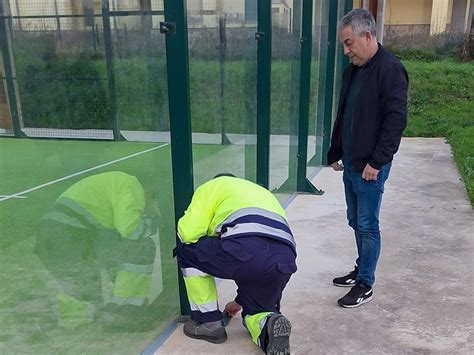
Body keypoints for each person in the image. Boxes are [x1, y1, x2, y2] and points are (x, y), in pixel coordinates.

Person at [327, 9, 408, 308]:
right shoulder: (353, 70)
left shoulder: (390, 70)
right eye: (344, 45)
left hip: (370, 166)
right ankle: (361, 268)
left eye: (349, 43)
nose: (346, 51)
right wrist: (336, 152)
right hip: (351, 161)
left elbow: (395, 121)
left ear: (367, 36)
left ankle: (366, 283)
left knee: (367, 224)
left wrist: (377, 162)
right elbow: (345, 116)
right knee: (354, 220)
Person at [175, 174, 297, 354]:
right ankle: (268, 324)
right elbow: (262, 253)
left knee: (188, 251)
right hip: (284, 259)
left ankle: (206, 321)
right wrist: (239, 301)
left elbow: (188, 233)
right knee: (258, 311)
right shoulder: (262, 193)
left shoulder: (213, 186)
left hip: (246, 249)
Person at [35, 171, 163, 328]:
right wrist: (152, 223)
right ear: (149, 189)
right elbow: (130, 229)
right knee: (141, 246)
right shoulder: (132, 185)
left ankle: (67, 316)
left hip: (52, 243)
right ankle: (123, 311)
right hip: (71, 241)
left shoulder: (112, 186)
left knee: (85, 306)